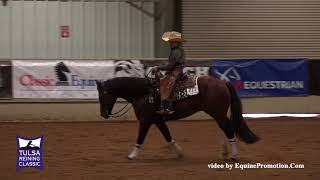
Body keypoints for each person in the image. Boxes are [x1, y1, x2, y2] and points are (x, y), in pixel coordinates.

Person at [154, 31, 185, 115]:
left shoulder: (176, 52)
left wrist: (159, 67)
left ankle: (168, 108)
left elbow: (170, 66)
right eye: (170, 42)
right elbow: (170, 64)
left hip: (176, 72)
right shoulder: (178, 50)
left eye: (172, 42)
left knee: (166, 83)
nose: (170, 43)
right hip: (176, 70)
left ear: (177, 42)